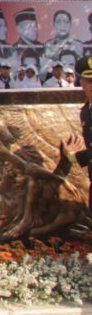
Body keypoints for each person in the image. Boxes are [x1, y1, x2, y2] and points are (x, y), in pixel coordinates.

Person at [60, 56, 92, 215]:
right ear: (82, 84)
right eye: (89, 81)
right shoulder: (86, 112)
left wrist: (74, 157)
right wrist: (71, 156)